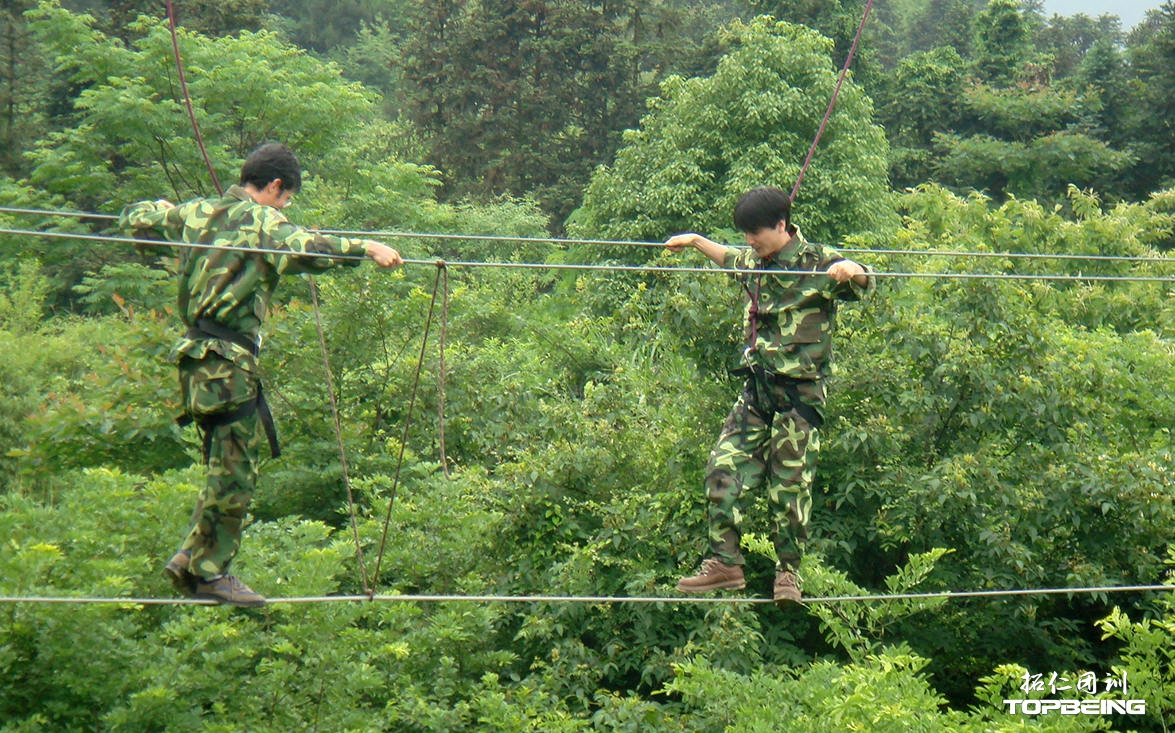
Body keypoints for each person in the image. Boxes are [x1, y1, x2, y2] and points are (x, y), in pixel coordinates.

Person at [120, 142, 403, 607]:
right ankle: (210, 572)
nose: (285, 207)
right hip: (229, 361)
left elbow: (134, 218)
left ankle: (189, 557)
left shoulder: (196, 213)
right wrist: (368, 248)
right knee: (236, 471)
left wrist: (163, 209)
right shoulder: (263, 220)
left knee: (221, 464)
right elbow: (309, 247)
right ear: (274, 186)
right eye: (286, 198)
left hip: (195, 362)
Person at [664, 186, 873, 604]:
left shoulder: (819, 262)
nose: (750, 242)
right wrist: (693, 241)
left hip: (800, 395)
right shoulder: (753, 260)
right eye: (746, 234)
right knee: (720, 469)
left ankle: (788, 575)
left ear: (782, 225)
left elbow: (865, 280)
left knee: (790, 487)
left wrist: (852, 269)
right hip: (757, 390)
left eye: (756, 233)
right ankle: (725, 563)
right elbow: (726, 255)